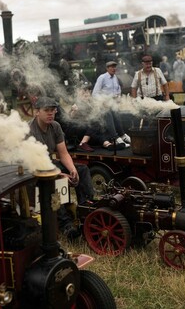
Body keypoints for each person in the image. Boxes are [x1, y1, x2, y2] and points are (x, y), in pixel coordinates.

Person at [28, 97, 96, 239]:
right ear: (36, 112)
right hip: (33, 170)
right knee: (52, 183)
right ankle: (66, 225)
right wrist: (59, 175)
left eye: (53, 110)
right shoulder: (29, 130)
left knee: (82, 170)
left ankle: (87, 211)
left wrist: (72, 170)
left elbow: (63, 153)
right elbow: (33, 163)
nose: (50, 114)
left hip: (49, 164)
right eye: (46, 110)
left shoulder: (56, 126)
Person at [92, 61, 131, 146]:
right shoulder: (102, 77)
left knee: (116, 113)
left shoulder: (115, 78)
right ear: (107, 68)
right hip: (102, 104)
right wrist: (103, 102)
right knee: (108, 113)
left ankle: (122, 135)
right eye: (111, 67)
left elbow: (118, 90)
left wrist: (118, 98)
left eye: (114, 67)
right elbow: (95, 93)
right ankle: (115, 137)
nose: (114, 68)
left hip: (112, 103)